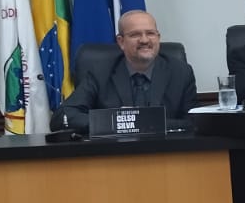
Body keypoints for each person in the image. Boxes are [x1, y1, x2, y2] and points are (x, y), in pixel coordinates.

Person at [50, 10, 198, 132]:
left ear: (158, 37)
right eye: (135, 35)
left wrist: (145, 122)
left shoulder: (181, 72)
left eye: (150, 33)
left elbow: (194, 121)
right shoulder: (100, 73)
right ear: (121, 42)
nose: (144, 40)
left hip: (166, 153)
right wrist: (115, 122)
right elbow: (63, 116)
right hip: (114, 154)